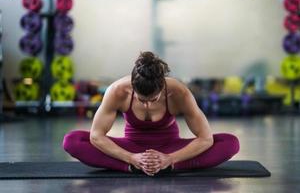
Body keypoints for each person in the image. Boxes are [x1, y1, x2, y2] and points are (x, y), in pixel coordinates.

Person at [63, 51, 240, 176]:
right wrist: (131, 158)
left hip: (170, 147)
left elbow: (206, 138)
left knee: (230, 143)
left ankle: (167, 166)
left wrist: (170, 158)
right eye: (141, 100)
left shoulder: (179, 93)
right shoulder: (117, 90)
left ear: (163, 87)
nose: (147, 104)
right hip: (131, 148)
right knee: (72, 140)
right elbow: (96, 135)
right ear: (133, 86)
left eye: (153, 100)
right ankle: (134, 166)